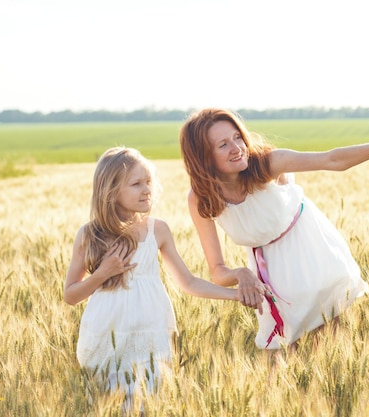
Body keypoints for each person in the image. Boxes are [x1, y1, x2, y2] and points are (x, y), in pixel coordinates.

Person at [178, 108, 369, 350]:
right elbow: (217, 271)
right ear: (204, 157)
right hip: (272, 276)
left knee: (333, 348)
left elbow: (332, 160)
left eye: (237, 137)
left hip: (313, 254)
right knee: (283, 363)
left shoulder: (268, 163)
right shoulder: (201, 198)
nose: (237, 147)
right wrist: (241, 274)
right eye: (223, 144)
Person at [63, 147, 246, 413]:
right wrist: (102, 273)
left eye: (148, 182)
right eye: (136, 184)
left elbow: (188, 282)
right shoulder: (90, 234)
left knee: (151, 404)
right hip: (107, 336)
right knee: (109, 407)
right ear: (111, 191)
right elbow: (71, 295)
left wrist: (235, 294)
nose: (147, 189)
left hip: (151, 334)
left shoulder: (156, 230)